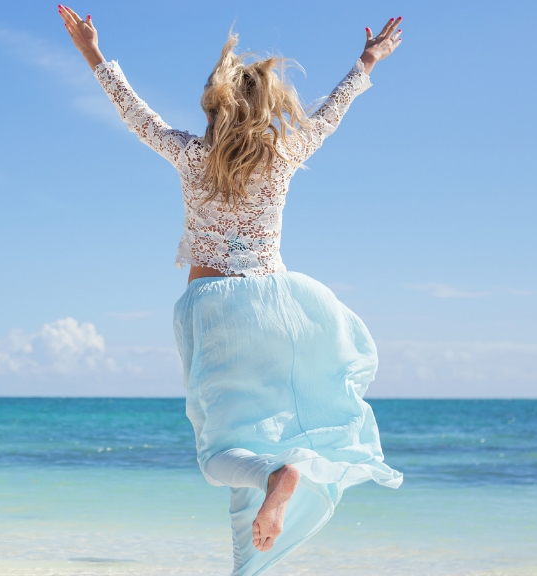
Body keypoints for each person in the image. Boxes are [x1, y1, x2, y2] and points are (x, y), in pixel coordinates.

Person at [59, 6, 404, 574]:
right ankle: (252, 558)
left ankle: (278, 478)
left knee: (219, 451)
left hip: (214, 309)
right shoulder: (284, 156)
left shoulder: (193, 156)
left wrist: (92, 52)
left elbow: (134, 115)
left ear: (215, 107)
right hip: (278, 308)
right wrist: (367, 60)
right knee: (260, 440)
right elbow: (332, 112)